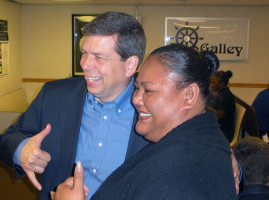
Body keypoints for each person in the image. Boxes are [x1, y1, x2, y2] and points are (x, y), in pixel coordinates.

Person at [53, 44, 237, 200]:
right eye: (136, 88)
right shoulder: (189, 142)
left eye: (148, 90)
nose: (135, 99)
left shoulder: (182, 174)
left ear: (189, 96)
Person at [0, 11, 148, 200]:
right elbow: (7, 140)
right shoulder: (53, 96)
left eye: (99, 57)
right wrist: (22, 151)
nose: (84, 64)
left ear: (130, 65)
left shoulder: (153, 112)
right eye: (84, 53)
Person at [209, 70, 236, 142]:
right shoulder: (220, 93)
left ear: (221, 84)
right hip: (218, 128)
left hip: (224, 132)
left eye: (213, 82)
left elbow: (217, 116)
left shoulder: (225, 96)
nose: (211, 85)